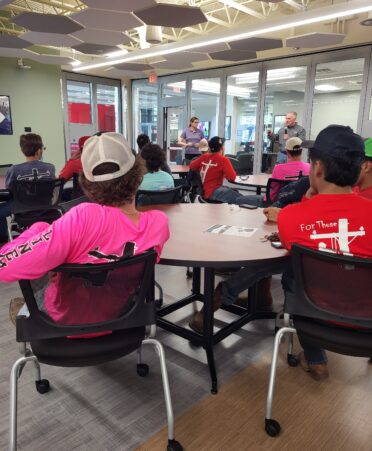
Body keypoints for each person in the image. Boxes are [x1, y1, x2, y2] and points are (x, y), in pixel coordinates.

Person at [2, 132, 170, 327]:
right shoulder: (159, 223)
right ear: (139, 176)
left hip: (66, 325)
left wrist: (39, 229)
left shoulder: (80, 219)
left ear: (87, 185)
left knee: (31, 298)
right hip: (123, 317)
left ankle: (24, 311)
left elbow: (4, 266)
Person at [278, 124, 372, 381]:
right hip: (367, 325)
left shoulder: (289, 218)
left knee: (292, 275)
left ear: (316, 168)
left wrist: (308, 200)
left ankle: (316, 357)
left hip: (314, 320)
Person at [0, 133, 55, 243]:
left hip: (23, 209)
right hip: (46, 207)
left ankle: (3, 242)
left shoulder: (14, 170)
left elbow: (10, 190)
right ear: (39, 151)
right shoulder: (50, 167)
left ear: (23, 150)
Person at [189, 136, 262, 205]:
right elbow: (232, 177)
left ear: (210, 148)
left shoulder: (204, 157)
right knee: (240, 199)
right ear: (222, 148)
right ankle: (264, 201)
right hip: (214, 191)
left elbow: (192, 166)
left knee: (235, 192)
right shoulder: (223, 160)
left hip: (204, 191)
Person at [269, 137, 310, 201]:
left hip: (278, 203)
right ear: (301, 151)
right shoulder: (309, 167)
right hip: (300, 204)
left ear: (287, 151)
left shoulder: (278, 168)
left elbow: (273, 187)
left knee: (248, 198)